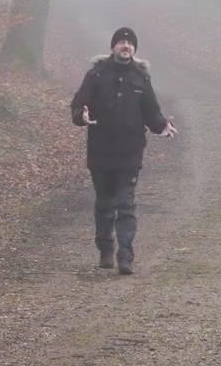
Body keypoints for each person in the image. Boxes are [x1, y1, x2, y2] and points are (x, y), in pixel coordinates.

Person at [70, 26, 176, 274]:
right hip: (100, 152)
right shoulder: (96, 75)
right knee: (105, 203)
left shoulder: (141, 78)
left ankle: (126, 255)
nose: (125, 46)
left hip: (130, 152)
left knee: (125, 203)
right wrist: (80, 115)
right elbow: (78, 104)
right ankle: (105, 249)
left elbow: (151, 112)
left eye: (130, 43)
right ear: (113, 47)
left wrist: (163, 126)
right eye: (121, 42)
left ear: (134, 49)